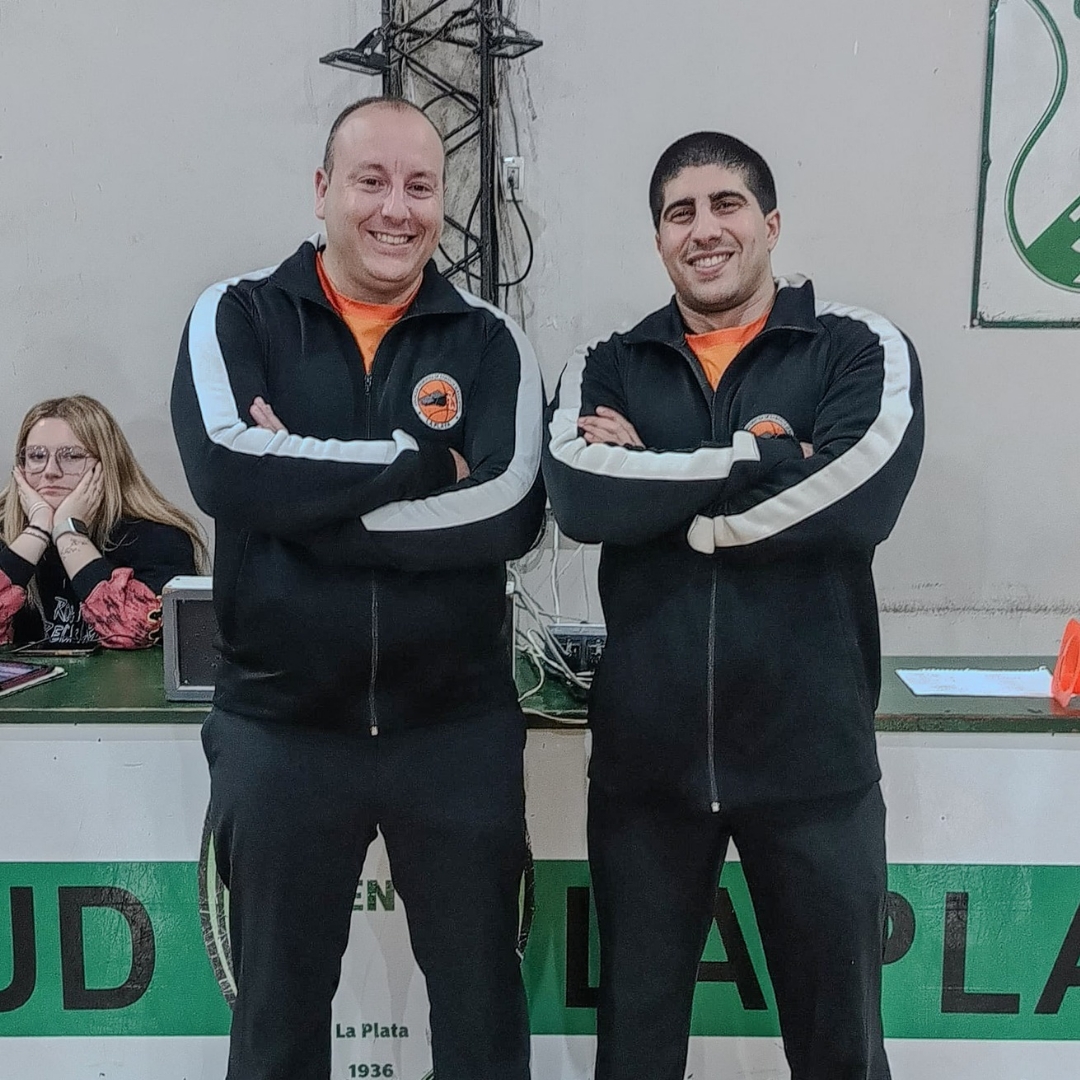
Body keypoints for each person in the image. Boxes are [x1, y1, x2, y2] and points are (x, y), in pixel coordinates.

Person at [171, 96, 544, 1080]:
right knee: (276, 1028)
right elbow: (227, 470)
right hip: (282, 731)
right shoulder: (237, 315)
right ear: (322, 189)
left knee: (483, 1023)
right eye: (370, 181)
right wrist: (423, 465)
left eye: (420, 186)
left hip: (455, 733)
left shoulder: (488, 341)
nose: (396, 209)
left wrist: (305, 496)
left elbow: (509, 511)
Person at [544, 132, 924, 1080]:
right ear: (659, 239)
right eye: (680, 213)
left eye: (726, 205)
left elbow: (857, 498)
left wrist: (664, 489)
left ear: (771, 224)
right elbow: (583, 497)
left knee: (841, 1052)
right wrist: (770, 457)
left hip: (814, 768)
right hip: (646, 775)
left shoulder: (855, 346)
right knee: (635, 1054)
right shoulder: (609, 362)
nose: (704, 229)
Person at [0, 395, 207, 649]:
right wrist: (37, 530)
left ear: (106, 466)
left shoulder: (159, 539)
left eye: (71, 456)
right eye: (36, 456)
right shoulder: (5, 533)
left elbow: (135, 631)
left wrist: (69, 533)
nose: (50, 471)